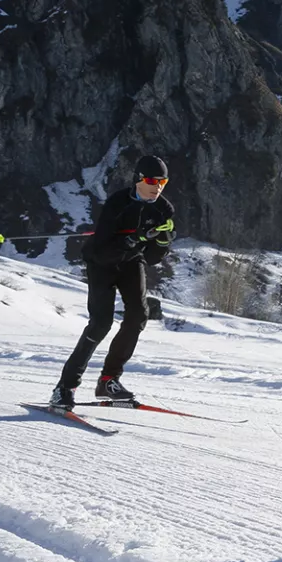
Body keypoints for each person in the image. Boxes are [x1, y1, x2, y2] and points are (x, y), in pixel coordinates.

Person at [50, 155, 176, 409]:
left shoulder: (164, 210)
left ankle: (109, 380)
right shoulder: (118, 203)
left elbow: (152, 258)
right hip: (101, 264)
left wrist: (163, 243)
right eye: (152, 181)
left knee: (138, 315)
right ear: (139, 179)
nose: (158, 187)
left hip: (131, 262)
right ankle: (65, 387)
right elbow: (101, 250)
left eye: (163, 182)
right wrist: (132, 239)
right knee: (101, 323)